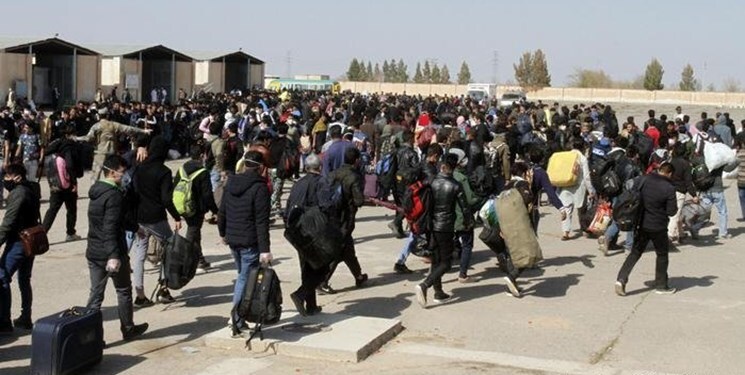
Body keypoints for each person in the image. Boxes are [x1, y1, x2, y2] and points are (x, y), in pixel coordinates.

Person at [86, 155, 148, 341]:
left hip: (94, 250)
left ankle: (92, 337)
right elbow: (110, 227)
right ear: (112, 172)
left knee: (96, 294)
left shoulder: (97, 191)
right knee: (123, 290)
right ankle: (127, 328)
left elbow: (118, 220)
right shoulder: (114, 195)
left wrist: (135, 228)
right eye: (122, 172)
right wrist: (113, 255)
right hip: (110, 252)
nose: (125, 176)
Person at [217, 151, 273, 337]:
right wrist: (265, 249)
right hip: (249, 241)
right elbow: (261, 221)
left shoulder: (230, 182)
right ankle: (236, 318)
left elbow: (222, 211)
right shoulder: (260, 188)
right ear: (261, 167)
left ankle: (239, 314)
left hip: (233, 238)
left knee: (243, 276)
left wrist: (223, 232)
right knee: (244, 279)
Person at [414, 153, 471, 308]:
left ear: (442, 164)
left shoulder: (431, 181)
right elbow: (464, 207)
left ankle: (438, 292)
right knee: (446, 263)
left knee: (437, 259)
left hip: (431, 225)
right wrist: (468, 222)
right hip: (445, 226)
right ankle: (425, 285)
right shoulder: (455, 185)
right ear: (455, 166)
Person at [132, 137, 183, 306]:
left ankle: (139, 293)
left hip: (139, 216)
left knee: (139, 254)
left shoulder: (139, 168)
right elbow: (167, 199)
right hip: (156, 217)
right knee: (169, 248)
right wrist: (176, 216)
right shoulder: (164, 171)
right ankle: (163, 287)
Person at [615, 162, 678, 296]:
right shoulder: (669, 188)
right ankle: (661, 285)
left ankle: (621, 278)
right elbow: (672, 211)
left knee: (635, 252)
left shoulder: (644, 179)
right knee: (662, 254)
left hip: (641, 223)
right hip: (658, 226)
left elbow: (632, 191)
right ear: (670, 174)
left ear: (659, 169)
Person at [318, 147, 368, 294]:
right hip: (346, 217)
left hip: (332, 215)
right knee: (339, 249)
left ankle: (358, 276)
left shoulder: (334, 173)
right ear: (357, 160)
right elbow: (358, 201)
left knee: (348, 249)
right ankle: (323, 281)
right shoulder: (354, 176)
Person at [0, 163, 41, 334]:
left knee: (2, 277)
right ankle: (26, 317)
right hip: (30, 240)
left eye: (7, 176)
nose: (5, 180)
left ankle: (4, 321)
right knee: (24, 279)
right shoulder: (32, 187)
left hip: (19, 241)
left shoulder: (18, 194)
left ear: (17, 177)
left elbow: (8, 223)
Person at [285, 154, 326, 316]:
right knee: (322, 268)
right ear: (320, 167)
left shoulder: (298, 184)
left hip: (297, 231)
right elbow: (325, 206)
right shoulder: (321, 183)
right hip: (313, 231)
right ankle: (301, 294)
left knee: (306, 267)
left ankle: (311, 305)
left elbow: (288, 207)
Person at [174, 144, 218, 271]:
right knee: (192, 234)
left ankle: (200, 259)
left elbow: (175, 187)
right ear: (202, 156)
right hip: (196, 209)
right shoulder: (202, 172)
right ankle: (185, 262)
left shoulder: (182, 169)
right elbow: (207, 195)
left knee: (195, 233)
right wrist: (215, 211)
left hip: (182, 206)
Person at [43, 125, 84, 242]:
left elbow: (45, 153)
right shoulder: (69, 147)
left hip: (55, 182)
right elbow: (70, 165)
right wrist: (74, 182)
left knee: (52, 209)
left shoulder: (56, 144)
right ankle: (70, 233)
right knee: (71, 209)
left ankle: (42, 233)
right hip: (67, 183)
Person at [557, 138, 595, 240]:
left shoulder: (567, 156)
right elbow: (586, 176)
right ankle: (584, 229)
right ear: (583, 147)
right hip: (579, 187)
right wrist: (591, 191)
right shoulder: (582, 158)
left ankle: (566, 232)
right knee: (581, 210)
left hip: (566, 185)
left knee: (567, 209)